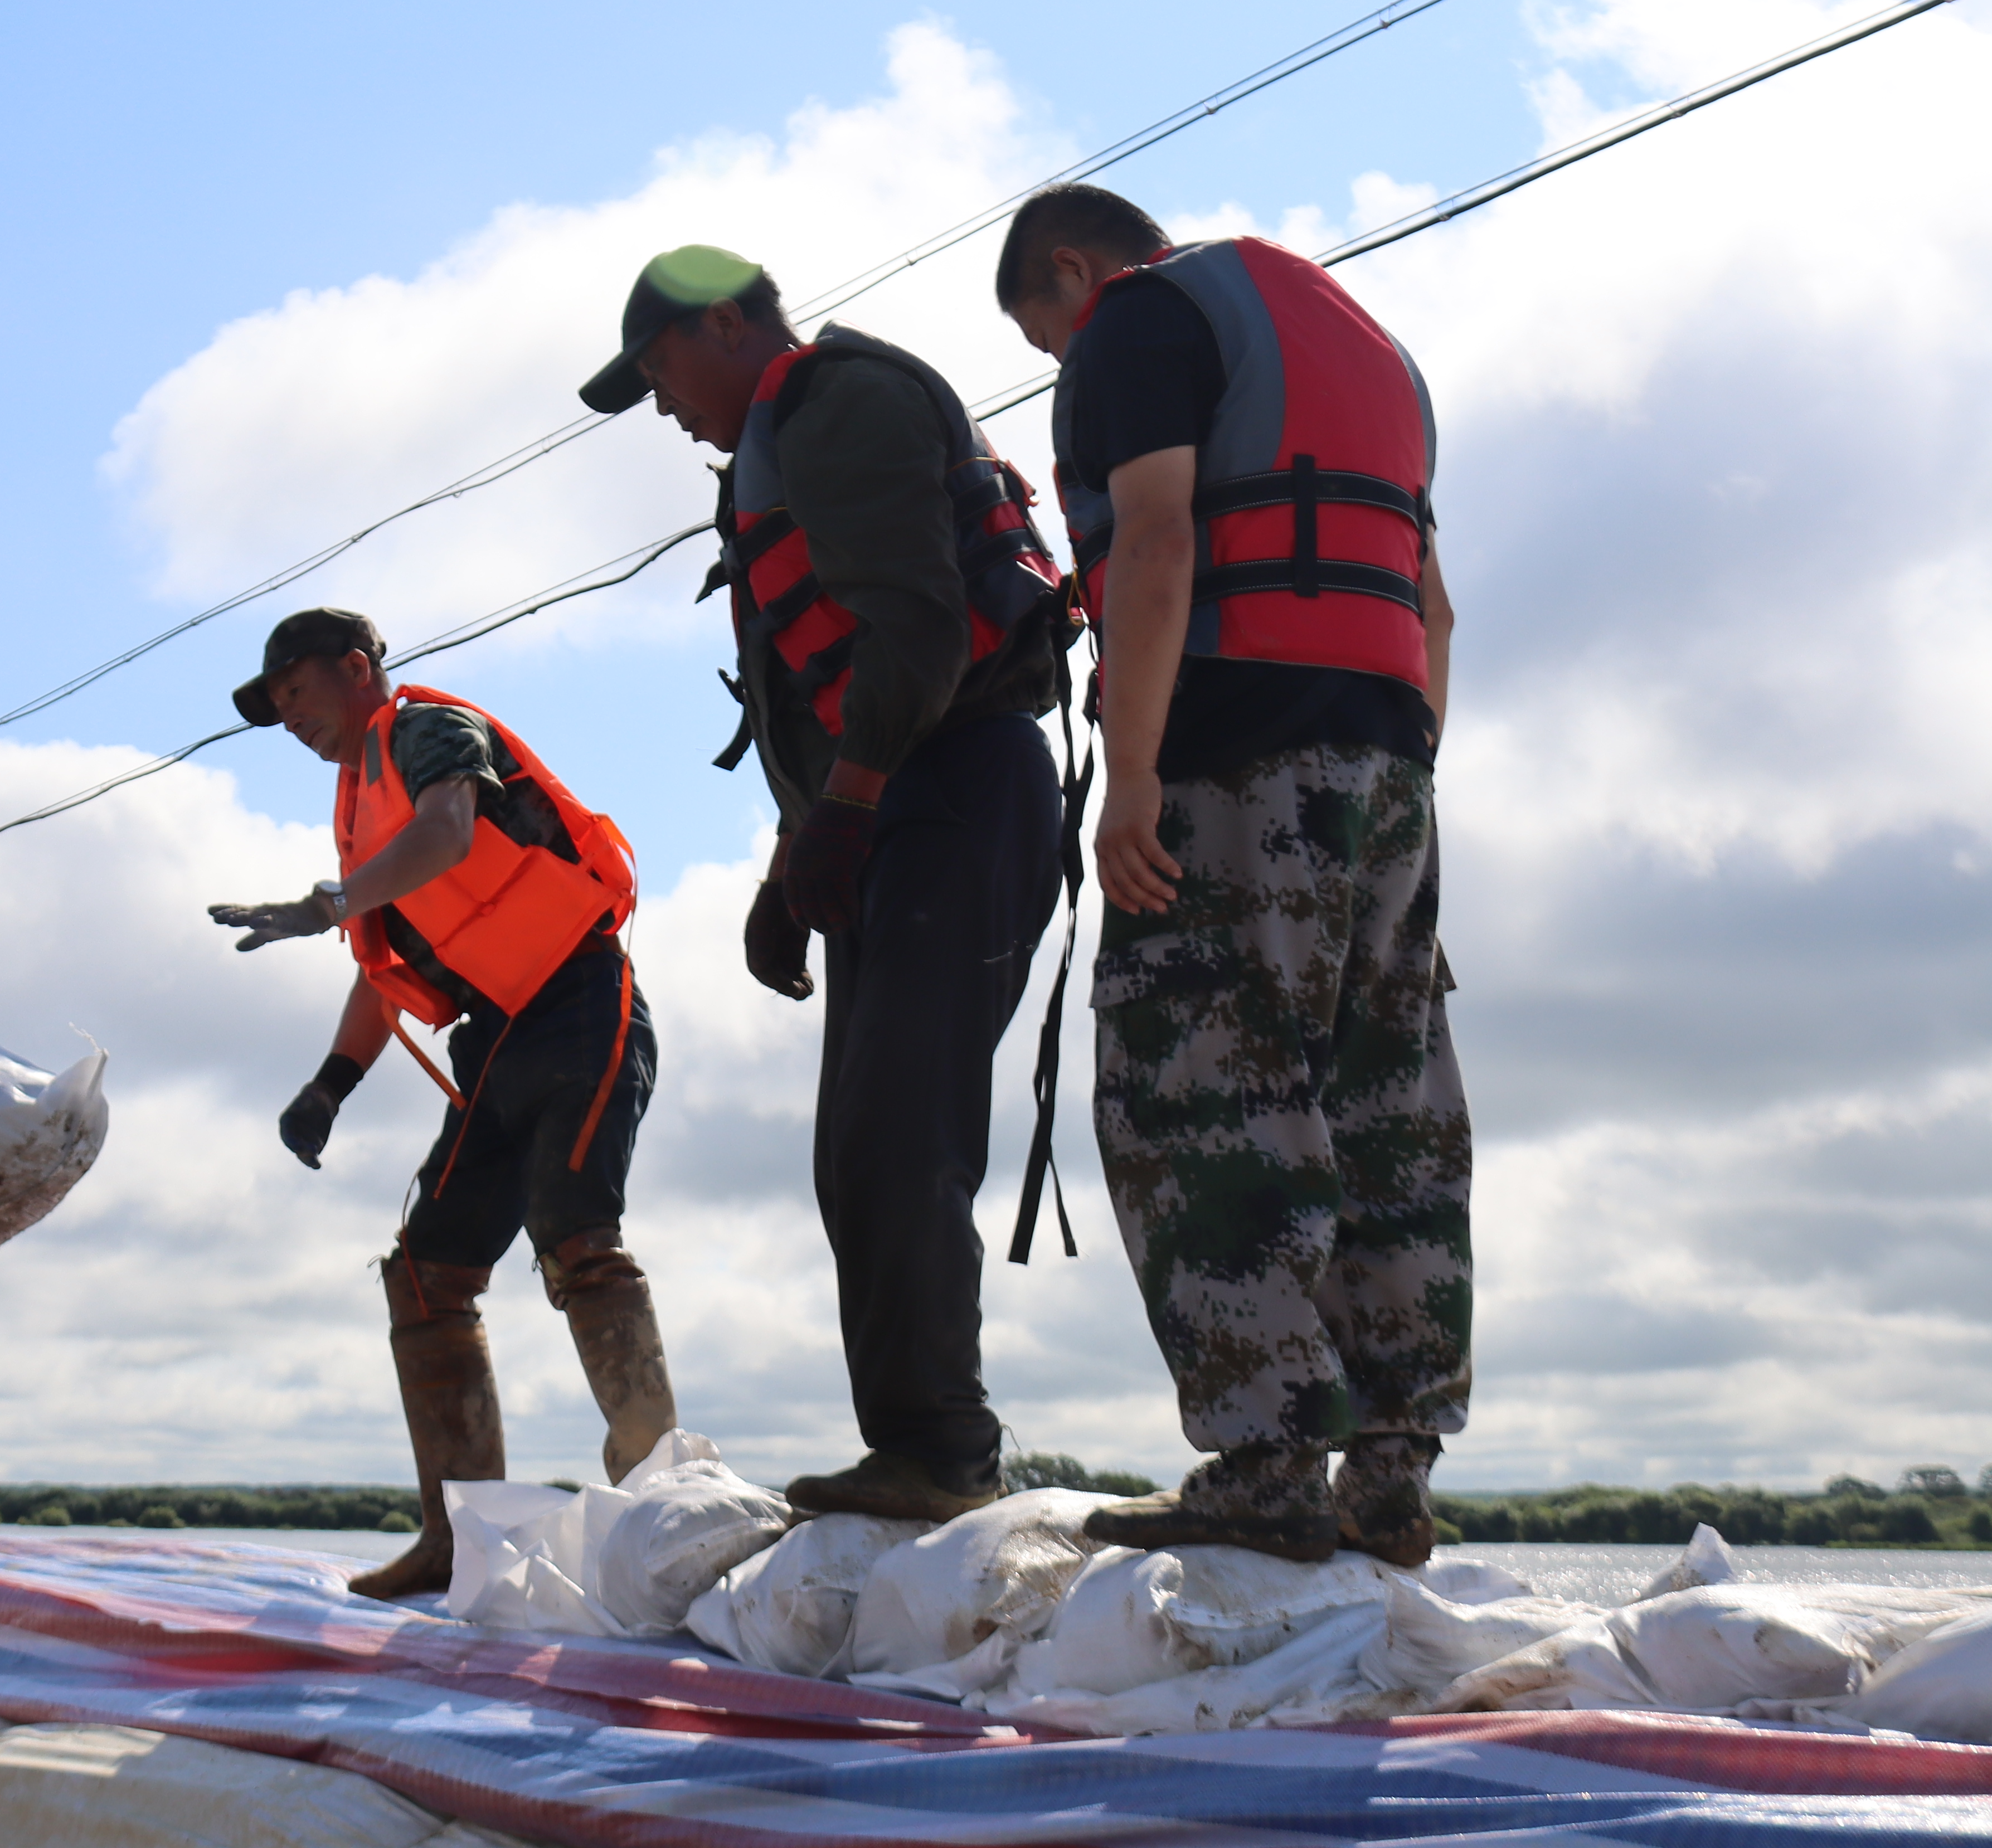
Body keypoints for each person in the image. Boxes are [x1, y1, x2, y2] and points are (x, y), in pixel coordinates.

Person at [993, 184, 1468, 1567]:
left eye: (1045, 334)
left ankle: (1264, 1467)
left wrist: (1130, 774)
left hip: (1232, 759)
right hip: (1386, 768)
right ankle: (1389, 1472)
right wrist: (1402, 779)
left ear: (1073, 271)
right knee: (1388, 1107)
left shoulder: (1141, 321)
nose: (1059, 366)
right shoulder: (1371, 351)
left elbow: (1154, 540)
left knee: (1196, 1094)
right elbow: (1432, 606)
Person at [579, 245, 1070, 1523]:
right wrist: (795, 851)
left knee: (903, 1127)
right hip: (891, 799)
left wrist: (838, 816)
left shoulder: (834, 401)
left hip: (955, 782)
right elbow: (834, 680)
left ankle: (941, 1451)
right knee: (858, 1146)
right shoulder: (769, 445)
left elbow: (912, 622)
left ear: (730, 323)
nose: (663, 404)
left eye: (660, 369)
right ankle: (918, 1444)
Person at [209, 609, 674, 1599]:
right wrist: (329, 1087)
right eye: (275, 702)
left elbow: (452, 830)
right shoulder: (361, 809)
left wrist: (330, 903)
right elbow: (384, 972)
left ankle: (671, 1511)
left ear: (357, 668)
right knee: (426, 1276)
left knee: (576, 1236)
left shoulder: (422, 732)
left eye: (295, 689)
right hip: (497, 1039)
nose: (287, 715)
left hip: (583, 1002)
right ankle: (457, 1544)